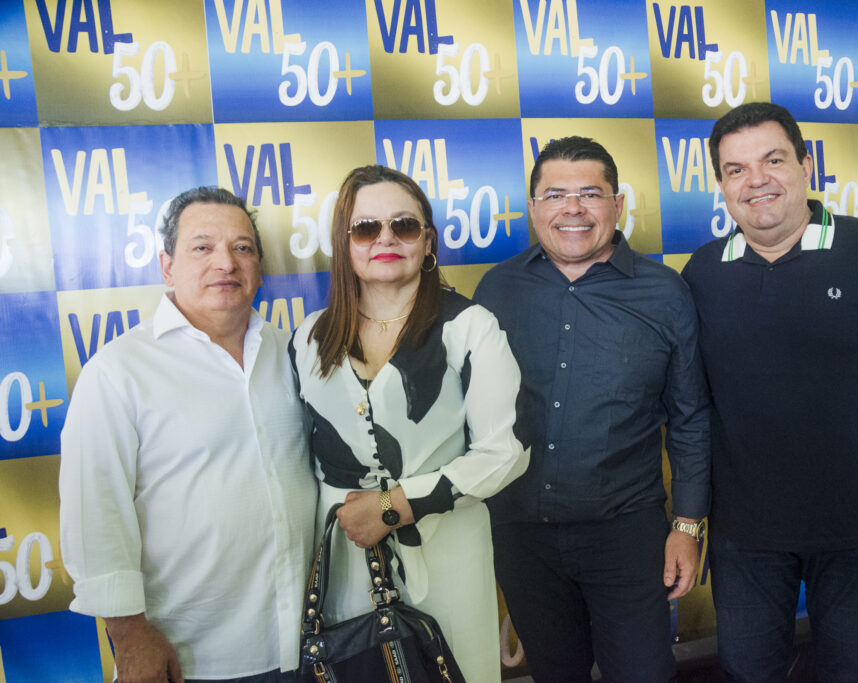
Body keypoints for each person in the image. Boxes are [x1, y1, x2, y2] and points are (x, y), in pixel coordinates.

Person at [681, 102, 858, 682]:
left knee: (852, 674)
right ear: (721, 186)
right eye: (736, 170)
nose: (756, 180)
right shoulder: (702, 273)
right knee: (747, 672)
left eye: (773, 159)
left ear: (807, 165)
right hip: (746, 534)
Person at [473, 136, 711, 683]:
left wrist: (689, 525)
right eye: (555, 194)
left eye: (590, 193)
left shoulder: (666, 293)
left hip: (627, 536)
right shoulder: (497, 289)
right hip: (521, 535)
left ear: (618, 204)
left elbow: (691, 419)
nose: (572, 209)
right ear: (533, 208)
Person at [59, 187, 317, 683]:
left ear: (259, 266)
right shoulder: (118, 372)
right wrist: (129, 638)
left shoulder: (293, 354)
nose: (226, 262)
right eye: (202, 247)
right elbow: (96, 514)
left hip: (307, 644)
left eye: (242, 248)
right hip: (190, 657)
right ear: (167, 266)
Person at [289, 164, 529, 682]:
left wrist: (395, 505)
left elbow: (506, 450)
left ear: (428, 241)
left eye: (404, 225)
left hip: (447, 547)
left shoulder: (470, 326)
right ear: (344, 243)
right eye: (366, 228)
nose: (386, 239)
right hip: (347, 556)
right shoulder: (309, 336)